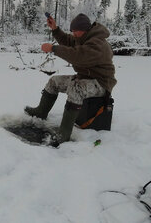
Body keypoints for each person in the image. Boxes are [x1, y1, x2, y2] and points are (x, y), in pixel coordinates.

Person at [24, 13, 117, 144]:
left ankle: (64, 133)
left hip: (101, 84)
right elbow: (68, 41)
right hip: (85, 79)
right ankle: (40, 112)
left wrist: (53, 48)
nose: (73, 34)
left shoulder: (98, 44)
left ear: (83, 30)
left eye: (74, 31)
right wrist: (55, 29)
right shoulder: (84, 38)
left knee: (76, 88)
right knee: (54, 81)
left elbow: (78, 56)